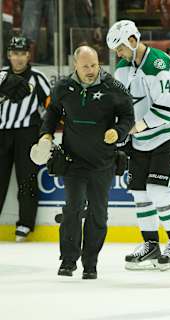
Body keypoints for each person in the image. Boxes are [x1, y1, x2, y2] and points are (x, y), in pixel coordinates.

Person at [35, 46, 134, 279]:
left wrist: (118, 132)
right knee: (73, 209)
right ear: (75, 66)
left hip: (103, 162)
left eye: (94, 65)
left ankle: (91, 263)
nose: (90, 70)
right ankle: (68, 261)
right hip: (73, 162)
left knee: (98, 214)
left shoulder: (114, 88)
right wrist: (45, 134)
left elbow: (128, 117)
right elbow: (51, 113)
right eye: (85, 66)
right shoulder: (63, 88)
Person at [106, 20, 170, 271]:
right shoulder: (123, 67)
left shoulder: (158, 64)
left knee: (159, 191)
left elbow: (168, 108)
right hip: (140, 139)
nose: (118, 55)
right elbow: (120, 104)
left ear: (132, 41)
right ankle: (151, 244)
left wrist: (134, 127)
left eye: (119, 48)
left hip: (169, 134)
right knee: (140, 194)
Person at [0, 36, 49, 242]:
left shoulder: (37, 77)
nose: (18, 58)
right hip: (2, 133)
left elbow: (51, 104)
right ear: (9, 54)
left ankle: (25, 223)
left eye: (22, 53)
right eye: (15, 53)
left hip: (27, 134)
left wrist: (46, 130)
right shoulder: (1, 76)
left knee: (27, 180)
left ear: (28, 55)